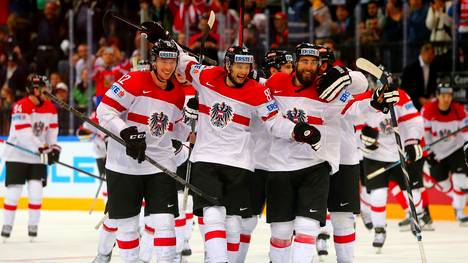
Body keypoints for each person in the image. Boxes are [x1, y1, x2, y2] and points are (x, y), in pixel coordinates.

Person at [176, 43, 319, 263]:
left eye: (247, 66)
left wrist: (296, 130)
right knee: (213, 215)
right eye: (239, 66)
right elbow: (182, 62)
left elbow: (274, 123)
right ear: (228, 65)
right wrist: (165, 40)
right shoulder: (206, 75)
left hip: (239, 163)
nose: (243, 72)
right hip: (206, 159)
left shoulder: (258, 90)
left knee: (235, 224)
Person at [264, 43, 396, 263]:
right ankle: (310, 247)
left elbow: (356, 104)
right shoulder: (280, 83)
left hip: (337, 158)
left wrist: (374, 102)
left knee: (338, 218)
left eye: (319, 62)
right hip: (300, 161)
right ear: (296, 62)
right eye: (306, 61)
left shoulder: (336, 88)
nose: (314, 66)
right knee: (287, 226)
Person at [96, 39, 191, 263]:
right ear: (153, 61)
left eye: (172, 61)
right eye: (163, 61)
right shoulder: (133, 80)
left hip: (160, 166)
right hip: (123, 165)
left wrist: (188, 131)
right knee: (128, 226)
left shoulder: (178, 93)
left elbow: (176, 128)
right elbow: (104, 110)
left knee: (165, 223)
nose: (168, 67)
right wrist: (126, 132)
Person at [237, 49, 295, 262]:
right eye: (288, 67)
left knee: (285, 226)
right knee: (246, 223)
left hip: (285, 167)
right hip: (257, 166)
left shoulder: (296, 90)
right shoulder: (256, 88)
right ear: (273, 69)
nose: (292, 72)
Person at [359, 83, 426, 252]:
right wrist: (363, 140)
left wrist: (412, 141)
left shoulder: (402, 96)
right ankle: (379, 229)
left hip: (400, 153)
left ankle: (417, 214)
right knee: (378, 195)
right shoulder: (364, 98)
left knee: (413, 195)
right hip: (375, 157)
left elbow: (415, 120)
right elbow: (352, 124)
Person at [1, 74, 60, 241]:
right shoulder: (20, 106)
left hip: (36, 157)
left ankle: (33, 227)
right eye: (44, 88)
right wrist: (43, 148)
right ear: (34, 89)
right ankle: (7, 226)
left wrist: (54, 148)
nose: (47, 91)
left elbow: (52, 132)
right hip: (17, 156)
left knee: (36, 192)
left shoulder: (50, 108)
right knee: (13, 193)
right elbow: (23, 133)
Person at [421, 83, 468, 225]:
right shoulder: (428, 110)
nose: (446, 98)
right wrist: (428, 154)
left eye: (449, 95)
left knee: (461, 181)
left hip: (456, 149)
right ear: (437, 96)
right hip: (437, 152)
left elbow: (466, 134)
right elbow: (424, 134)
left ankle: (460, 213)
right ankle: (456, 199)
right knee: (444, 185)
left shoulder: (459, 110)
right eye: (443, 95)